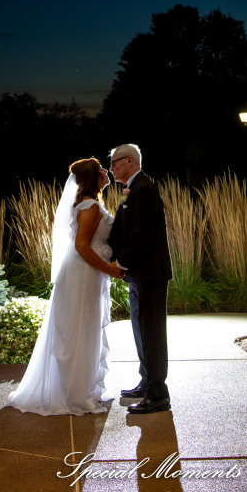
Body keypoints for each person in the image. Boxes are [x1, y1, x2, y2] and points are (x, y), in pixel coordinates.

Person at [8, 157, 126, 416]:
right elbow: (82, 246)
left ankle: (81, 389)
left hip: (85, 273)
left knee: (80, 329)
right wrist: (110, 269)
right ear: (92, 178)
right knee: (80, 330)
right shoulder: (91, 206)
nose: (106, 171)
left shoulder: (89, 204)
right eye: (100, 170)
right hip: (83, 274)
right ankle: (76, 395)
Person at [108, 143, 172, 413]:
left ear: (130, 161)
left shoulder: (144, 189)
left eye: (114, 163)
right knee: (141, 331)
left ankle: (157, 394)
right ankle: (147, 383)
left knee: (151, 334)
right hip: (140, 273)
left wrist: (120, 263)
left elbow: (141, 233)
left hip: (150, 274)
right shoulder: (134, 189)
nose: (111, 168)